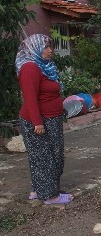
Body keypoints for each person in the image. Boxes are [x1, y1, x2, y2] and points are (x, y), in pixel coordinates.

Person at [16, 34, 73, 205]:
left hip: (50, 119)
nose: (50, 51)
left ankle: (38, 190)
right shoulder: (30, 68)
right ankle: (50, 196)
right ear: (35, 49)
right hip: (39, 121)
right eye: (46, 47)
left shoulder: (44, 66)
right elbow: (30, 98)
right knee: (46, 157)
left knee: (41, 156)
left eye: (50, 47)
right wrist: (37, 122)